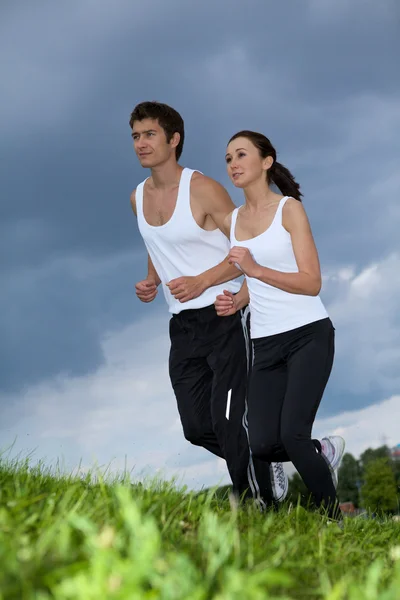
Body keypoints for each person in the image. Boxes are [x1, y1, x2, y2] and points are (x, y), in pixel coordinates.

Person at [128, 102, 287, 507]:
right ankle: (282, 458)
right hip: (182, 327)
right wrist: (153, 278)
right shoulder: (137, 199)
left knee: (229, 420)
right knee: (196, 427)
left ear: (173, 139)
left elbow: (248, 245)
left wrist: (203, 280)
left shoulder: (202, 189)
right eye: (135, 136)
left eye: (150, 134)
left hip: (224, 314)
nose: (141, 143)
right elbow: (158, 244)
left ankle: (253, 503)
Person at [215, 130, 345, 519]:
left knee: (292, 434)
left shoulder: (289, 209)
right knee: (261, 444)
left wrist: (254, 269)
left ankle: (333, 522)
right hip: (266, 343)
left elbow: (310, 281)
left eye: (241, 155)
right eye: (227, 158)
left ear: (266, 161)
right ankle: (321, 454)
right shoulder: (235, 220)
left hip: (308, 335)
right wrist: (237, 298)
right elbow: (255, 282)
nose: (233, 164)